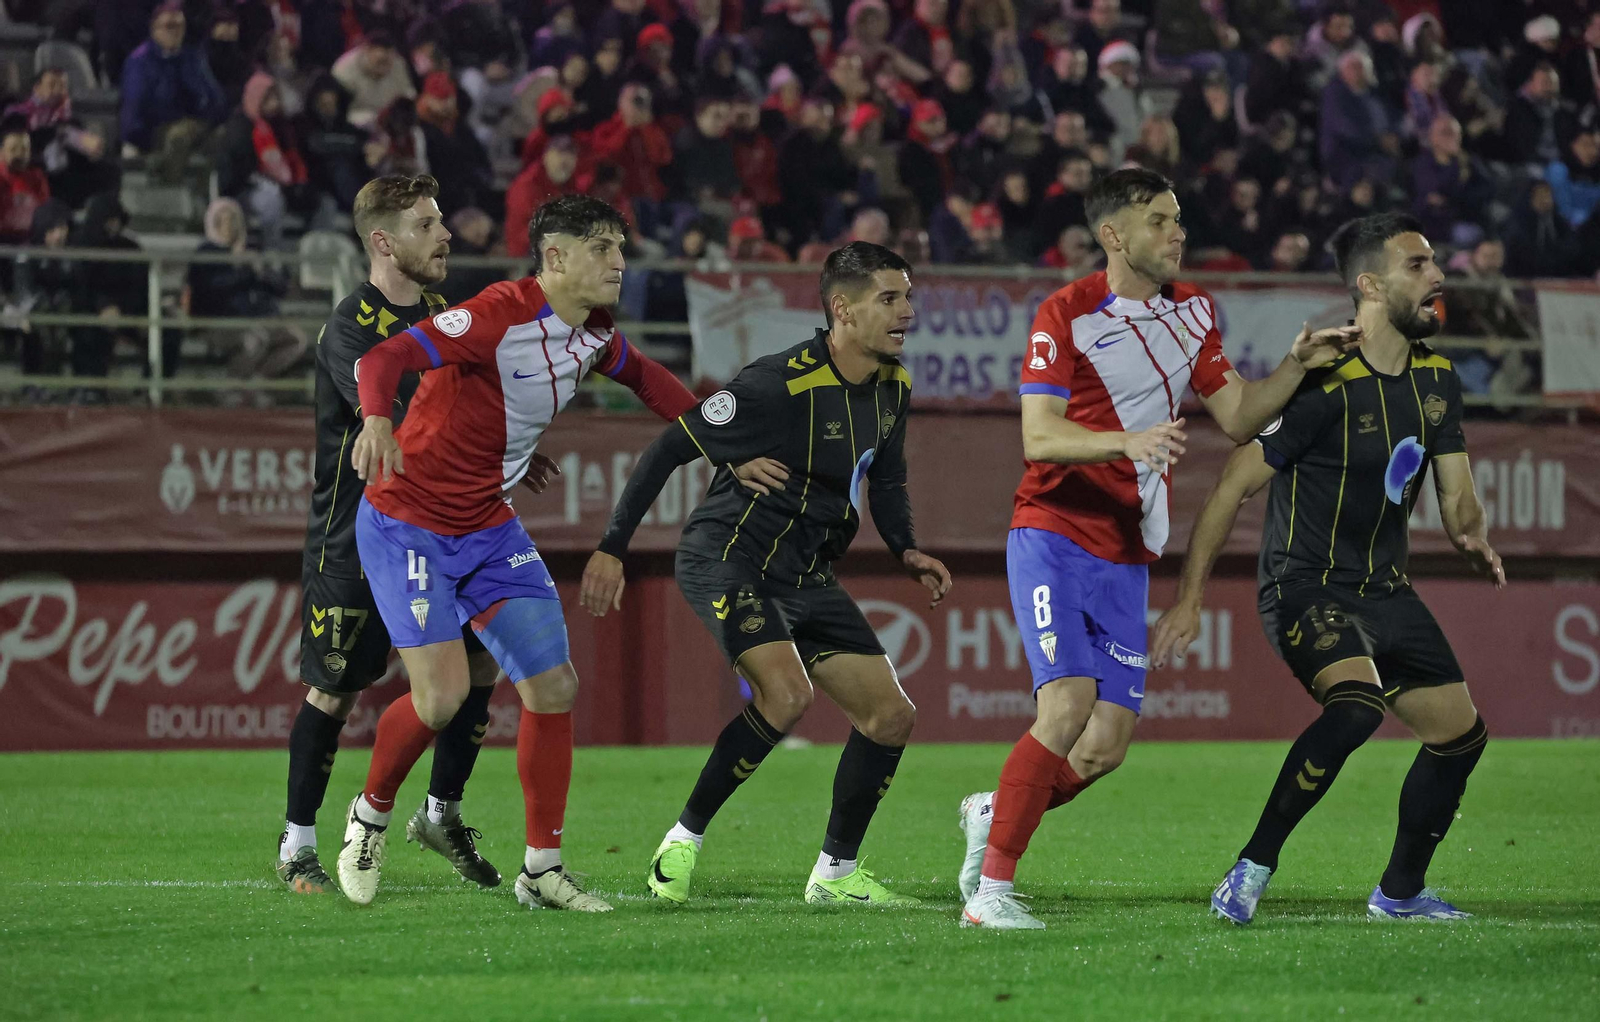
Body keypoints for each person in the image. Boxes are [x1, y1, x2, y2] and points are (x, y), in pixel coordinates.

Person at [331, 195, 780, 910]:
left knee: (554, 686)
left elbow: (652, 382)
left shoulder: (593, 333)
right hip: (405, 521)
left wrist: (727, 450)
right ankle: (370, 817)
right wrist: (378, 419)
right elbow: (385, 355)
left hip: (488, 527)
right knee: (441, 698)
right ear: (556, 257)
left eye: (620, 248)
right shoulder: (493, 315)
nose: (620, 263)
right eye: (602, 248)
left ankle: (541, 871)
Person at [954, 169, 1362, 930]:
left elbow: (1239, 414)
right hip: (1052, 530)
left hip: (1128, 550)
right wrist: (1126, 440)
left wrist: (1296, 368)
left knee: (1105, 747)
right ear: (1115, 236)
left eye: (1178, 218)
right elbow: (1038, 435)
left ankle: (995, 806)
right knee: (1069, 703)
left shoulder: (1196, 312)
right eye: (1160, 220)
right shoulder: (1065, 314)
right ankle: (992, 894)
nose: (1179, 233)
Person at [1152, 212, 1501, 924]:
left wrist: (1473, 537)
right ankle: (1249, 869)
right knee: (1356, 708)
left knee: (1460, 736)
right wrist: (1189, 601)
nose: (1437, 277)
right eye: (1419, 266)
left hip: (1387, 590)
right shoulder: (1325, 384)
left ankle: (1399, 893)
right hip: (1306, 585)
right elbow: (1230, 489)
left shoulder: (1437, 378)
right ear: (1369, 285)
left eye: (1435, 262)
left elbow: (1457, 498)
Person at [581, 241, 952, 907]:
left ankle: (836, 875)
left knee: (891, 716)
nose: (907, 311)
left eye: (908, 297)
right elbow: (669, 448)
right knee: (786, 695)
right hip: (728, 557)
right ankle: (681, 841)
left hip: (805, 572)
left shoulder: (893, 385)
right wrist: (613, 546)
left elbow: (887, 479)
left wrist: (906, 549)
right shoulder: (778, 382)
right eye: (889, 299)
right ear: (842, 308)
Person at [277, 175, 508, 895]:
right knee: (335, 692)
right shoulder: (352, 326)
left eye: (441, 221)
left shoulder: (447, 311)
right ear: (383, 242)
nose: (446, 235)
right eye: (426, 224)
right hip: (356, 535)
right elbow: (407, 416)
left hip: (442, 531)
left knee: (479, 668)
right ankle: (298, 845)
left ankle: (441, 814)